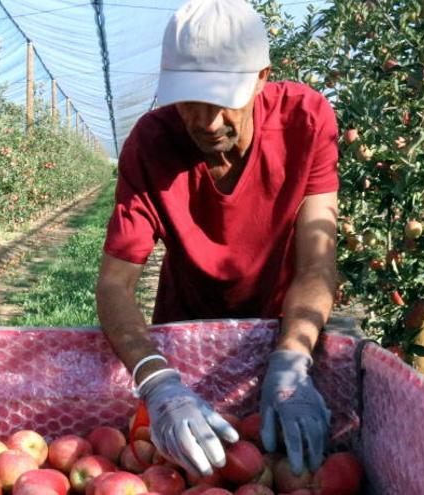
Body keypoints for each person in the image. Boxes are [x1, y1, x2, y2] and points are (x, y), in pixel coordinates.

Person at [95, 0, 337, 479]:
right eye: (188, 100)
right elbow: (114, 285)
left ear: (262, 77)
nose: (204, 120)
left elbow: (317, 261)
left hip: (282, 331)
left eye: (220, 98)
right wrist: (158, 381)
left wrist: (291, 360)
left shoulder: (305, 122)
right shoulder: (151, 144)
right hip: (185, 342)